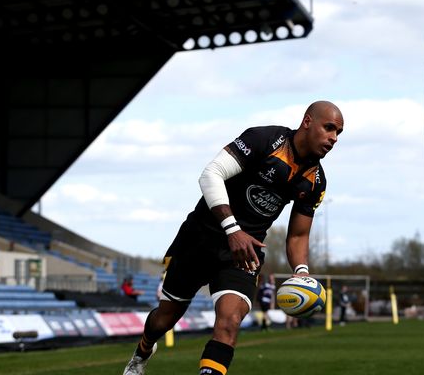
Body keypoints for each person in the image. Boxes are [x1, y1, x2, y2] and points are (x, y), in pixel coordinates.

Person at [122, 101, 344, 375]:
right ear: (308, 122)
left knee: (229, 323)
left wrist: (301, 272)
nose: (333, 138)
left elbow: (298, 234)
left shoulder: (316, 180)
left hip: (243, 254)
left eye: (338, 133)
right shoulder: (264, 139)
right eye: (329, 128)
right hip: (200, 239)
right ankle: (143, 351)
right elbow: (210, 174)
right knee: (164, 320)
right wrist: (232, 229)